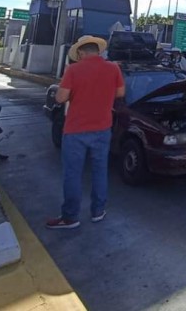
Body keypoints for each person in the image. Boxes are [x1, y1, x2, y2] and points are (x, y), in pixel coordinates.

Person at [46, 36, 125, 230]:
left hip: (76, 130)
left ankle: (70, 217)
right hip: (103, 129)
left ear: (81, 53)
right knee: (100, 171)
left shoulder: (73, 70)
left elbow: (61, 97)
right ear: (98, 51)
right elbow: (120, 93)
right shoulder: (113, 68)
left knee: (73, 173)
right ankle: (98, 212)